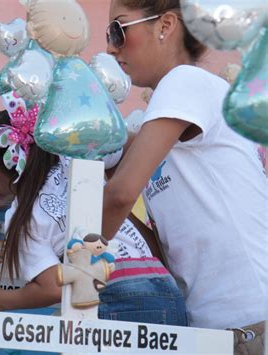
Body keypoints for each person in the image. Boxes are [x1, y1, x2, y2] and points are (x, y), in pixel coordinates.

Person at [102, 0, 267, 339]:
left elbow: (120, 196)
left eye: (118, 30)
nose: (109, 46)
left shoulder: (185, 81)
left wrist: (63, 260)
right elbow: (161, 251)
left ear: (165, 25)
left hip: (251, 320)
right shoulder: (164, 128)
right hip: (213, 328)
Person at [0, 95, 187, 326]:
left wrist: (1, 299)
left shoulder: (22, 217)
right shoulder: (73, 160)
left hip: (115, 295)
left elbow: (53, 288)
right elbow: (127, 148)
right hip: (164, 285)